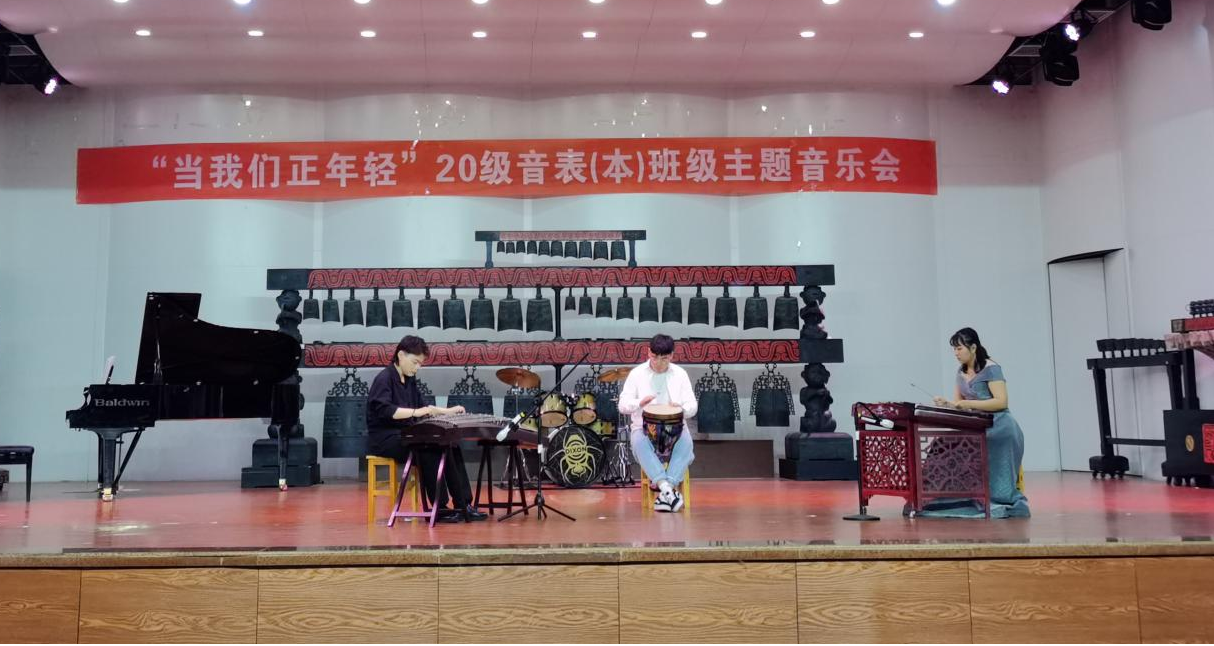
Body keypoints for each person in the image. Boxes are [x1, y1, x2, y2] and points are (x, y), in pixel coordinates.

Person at [366, 335, 487, 523]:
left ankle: (463, 505)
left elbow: (425, 407)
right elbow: (387, 411)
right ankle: (440, 508)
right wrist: (417, 412)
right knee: (429, 449)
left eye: (420, 364)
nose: (417, 368)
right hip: (386, 438)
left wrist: (449, 411)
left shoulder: (409, 379)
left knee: (451, 444)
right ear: (401, 355)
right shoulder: (384, 379)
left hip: (406, 434)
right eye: (415, 362)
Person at [922, 327, 1030, 518]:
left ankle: (996, 497)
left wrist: (968, 404)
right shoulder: (960, 372)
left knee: (979, 446)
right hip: (976, 425)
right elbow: (959, 404)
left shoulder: (991, 368)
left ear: (973, 348)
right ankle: (939, 497)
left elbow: (1001, 402)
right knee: (942, 443)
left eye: (959, 348)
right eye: (954, 349)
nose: (956, 353)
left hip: (999, 426)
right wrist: (947, 404)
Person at [618, 334, 698, 512]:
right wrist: (639, 402)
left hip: (675, 428)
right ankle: (667, 489)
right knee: (639, 443)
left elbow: (692, 405)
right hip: (644, 428)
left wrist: (682, 409)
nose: (659, 363)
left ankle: (665, 489)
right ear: (649, 353)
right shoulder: (637, 374)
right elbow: (622, 405)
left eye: (664, 358)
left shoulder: (680, 374)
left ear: (672, 355)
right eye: (655, 357)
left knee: (686, 443)